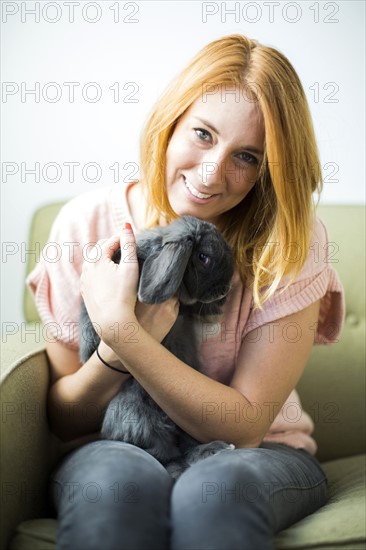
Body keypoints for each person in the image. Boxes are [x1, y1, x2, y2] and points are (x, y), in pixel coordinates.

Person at [27, 34, 345, 550]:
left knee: (214, 491)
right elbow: (66, 419)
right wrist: (111, 352)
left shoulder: (292, 243)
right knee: (115, 489)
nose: (211, 173)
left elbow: (244, 427)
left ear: (270, 172)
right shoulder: (86, 223)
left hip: (261, 452)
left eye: (246, 156)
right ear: (170, 121)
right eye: (202, 134)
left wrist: (128, 336)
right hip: (116, 445)